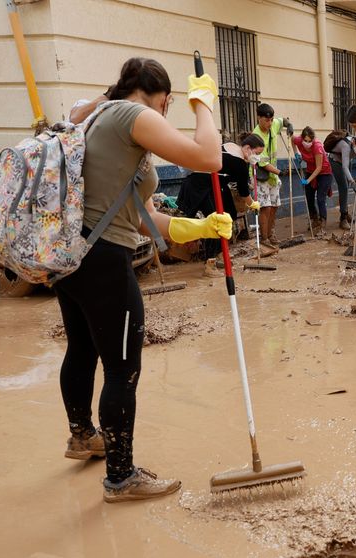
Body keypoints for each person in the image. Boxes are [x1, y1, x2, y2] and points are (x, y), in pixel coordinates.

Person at [56, 57, 229, 502]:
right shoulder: (134, 115)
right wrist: (204, 106)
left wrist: (197, 226)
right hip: (103, 260)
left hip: (72, 254)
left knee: (82, 348)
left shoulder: (99, 117)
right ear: (164, 99)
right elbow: (210, 157)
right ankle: (121, 477)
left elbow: (142, 217)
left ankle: (83, 436)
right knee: (122, 369)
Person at [176, 132, 264, 258]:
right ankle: (210, 262)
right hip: (200, 187)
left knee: (229, 212)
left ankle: (218, 253)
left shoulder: (231, 145)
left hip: (213, 185)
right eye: (257, 153)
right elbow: (243, 191)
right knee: (218, 222)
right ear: (248, 148)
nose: (257, 157)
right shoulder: (240, 163)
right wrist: (252, 204)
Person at [252, 103, 293, 248]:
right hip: (261, 176)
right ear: (259, 118)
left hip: (273, 176)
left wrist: (289, 125)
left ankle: (270, 234)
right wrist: (280, 172)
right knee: (265, 207)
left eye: (271, 120)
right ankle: (264, 238)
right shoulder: (256, 136)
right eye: (266, 120)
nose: (269, 123)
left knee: (274, 206)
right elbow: (263, 164)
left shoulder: (274, 124)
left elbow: (282, 121)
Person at [293, 126, 334, 230]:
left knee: (320, 198)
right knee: (309, 196)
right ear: (302, 138)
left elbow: (319, 167)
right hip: (310, 170)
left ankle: (322, 221)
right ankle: (314, 219)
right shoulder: (299, 140)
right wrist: (296, 153)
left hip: (324, 172)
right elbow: (292, 138)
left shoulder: (317, 147)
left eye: (309, 141)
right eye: (305, 140)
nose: (307, 143)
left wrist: (308, 180)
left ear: (313, 139)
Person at [325, 129, 356, 230]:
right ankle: (343, 218)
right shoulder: (345, 146)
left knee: (346, 186)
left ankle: (346, 212)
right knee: (344, 187)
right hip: (336, 161)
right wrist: (352, 182)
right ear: (353, 142)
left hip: (346, 161)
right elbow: (344, 167)